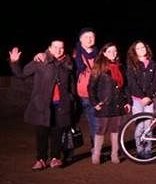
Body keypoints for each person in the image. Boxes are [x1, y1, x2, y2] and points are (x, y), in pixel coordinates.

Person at [9, 41, 74, 170]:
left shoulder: (67, 63)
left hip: (61, 105)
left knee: (57, 133)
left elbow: (71, 83)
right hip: (42, 105)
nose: (58, 50)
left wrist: (71, 99)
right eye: (55, 47)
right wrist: (14, 62)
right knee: (41, 133)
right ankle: (41, 159)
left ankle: (55, 158)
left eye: (61, 47)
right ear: (49, 48)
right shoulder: (40, 60)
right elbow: (21, 74)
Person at [88, 43, 131, 164]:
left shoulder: (120, 67)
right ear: (104, 53)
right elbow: (91, 87)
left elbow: (125, 87)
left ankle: (114, 154)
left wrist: (127, 101)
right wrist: (95, 102)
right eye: (110, 51)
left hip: (118, 103)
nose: (113, 53)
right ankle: (96, 154)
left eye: (115, 51)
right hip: (104, 104)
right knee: (101, 129)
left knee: (116, 129)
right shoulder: (99, 67)